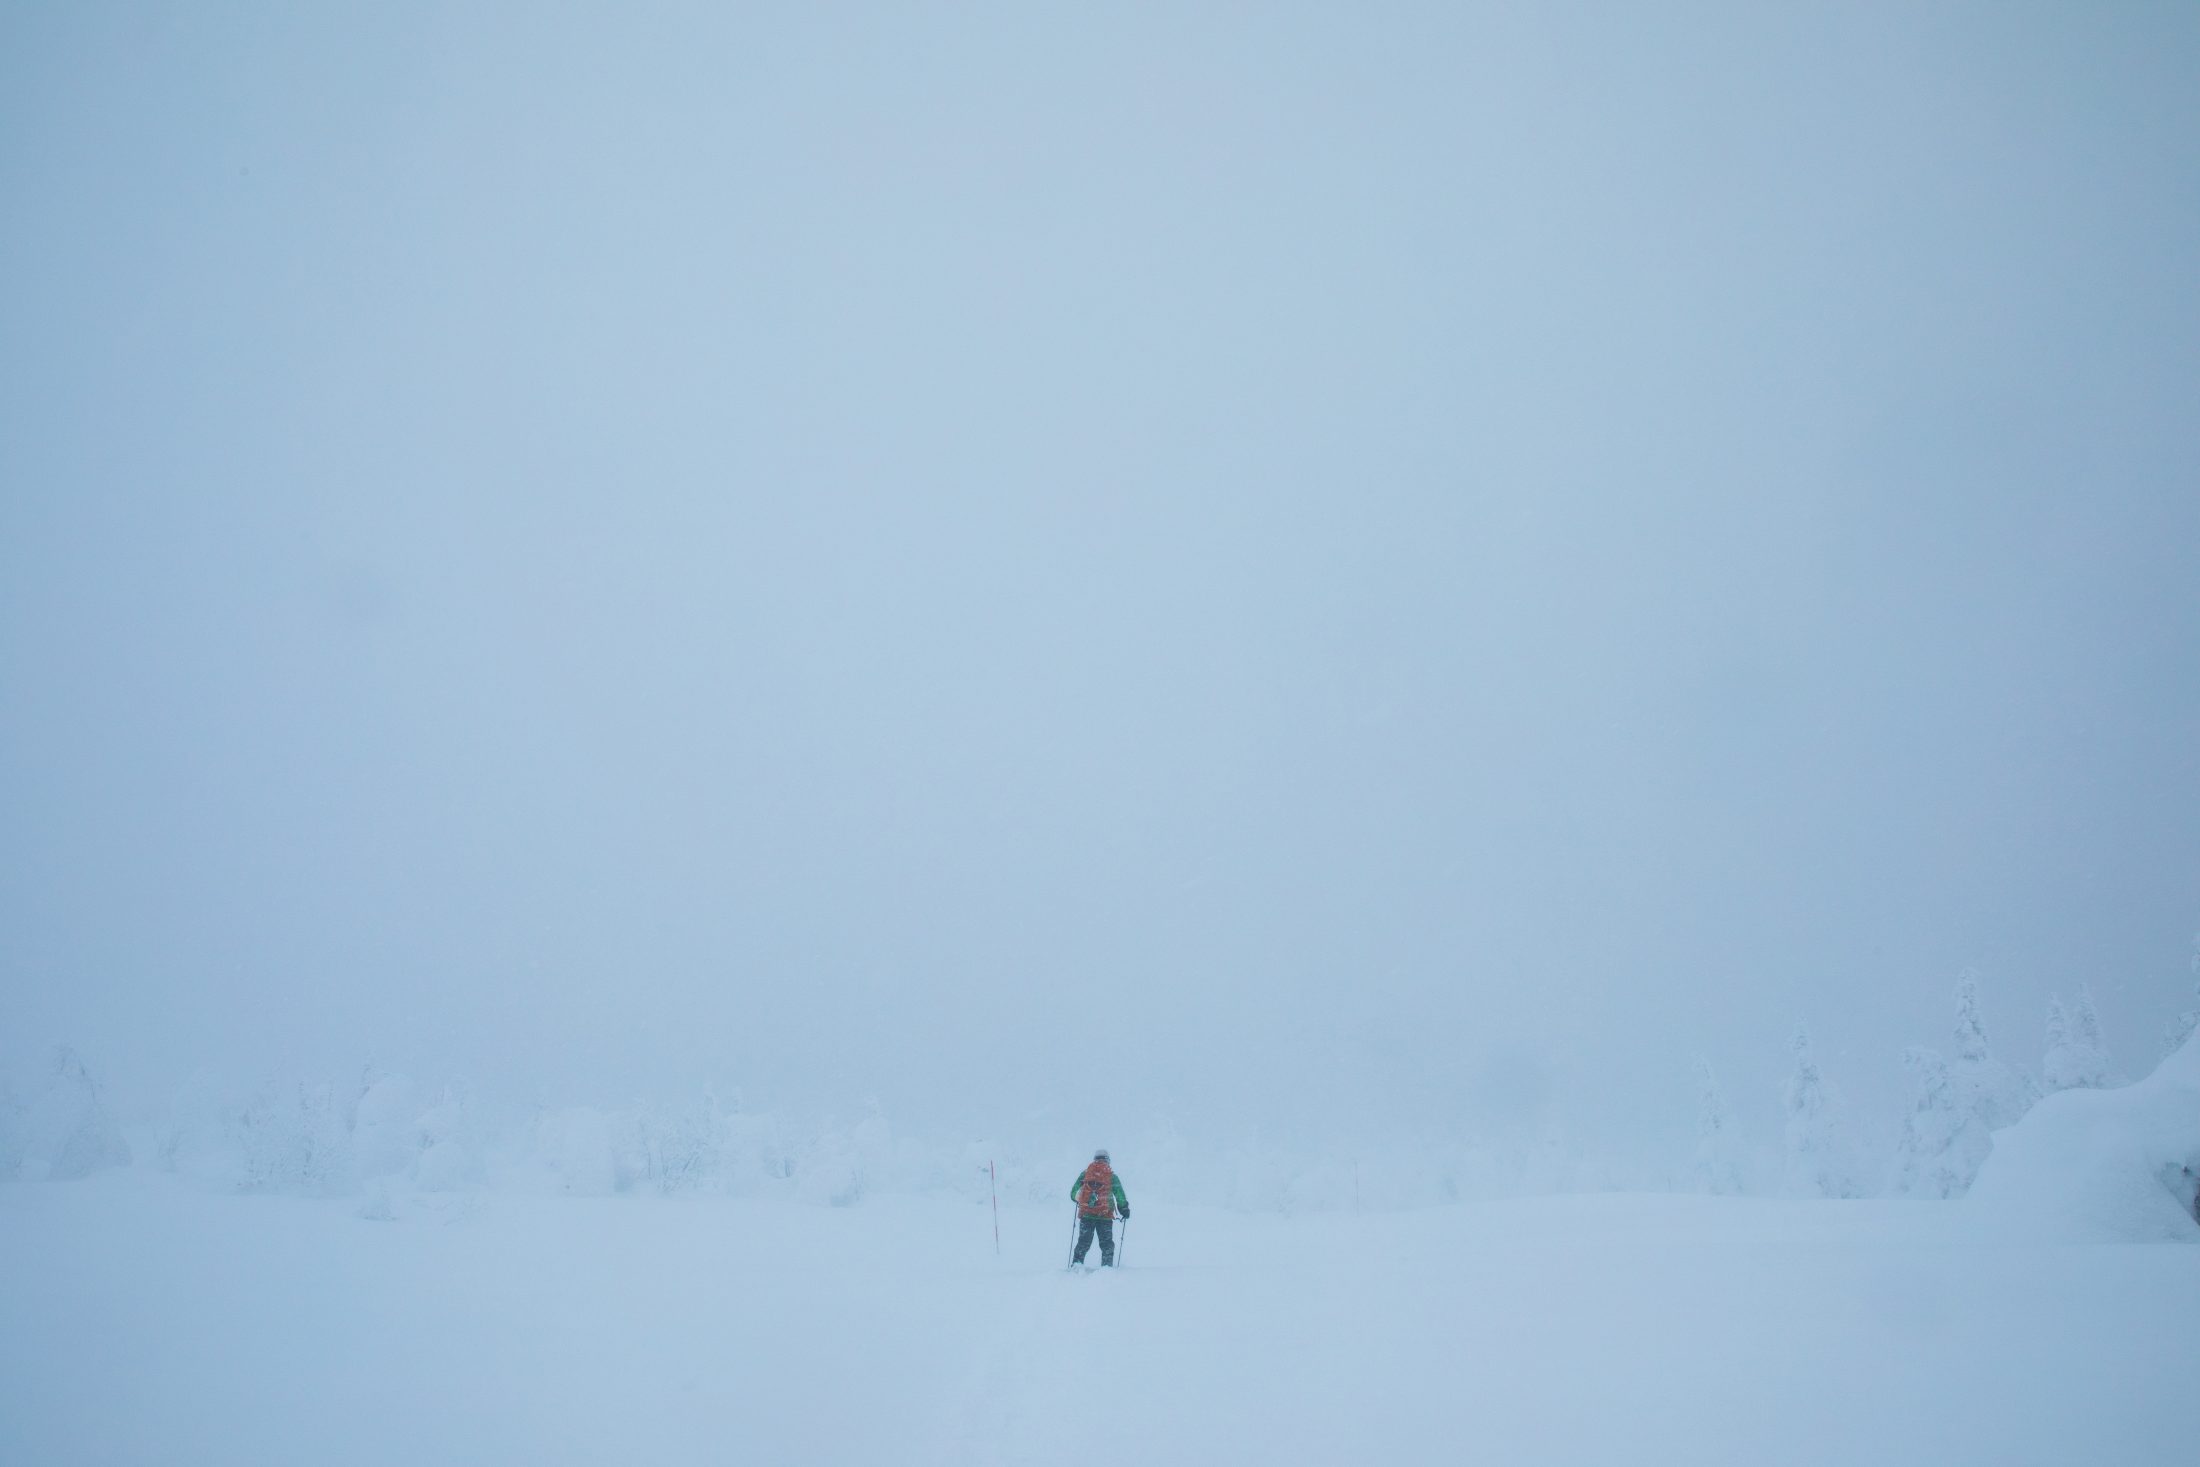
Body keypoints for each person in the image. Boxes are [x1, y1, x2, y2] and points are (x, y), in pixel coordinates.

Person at [1070, 1149, 1129, 1267]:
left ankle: (1076, 1267)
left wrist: (1083, 1201)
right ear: (1108, 1160)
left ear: (1094, 1159)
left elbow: (1073, 1193)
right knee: (1106, 1245)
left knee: (1083, 1243)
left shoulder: (1085, 1174)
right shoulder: (1112, 1176)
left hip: (1086, 1215)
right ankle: (1106, 1269)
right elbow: (1119, 1195)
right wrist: (1124, 1209)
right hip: (1105, 1216)